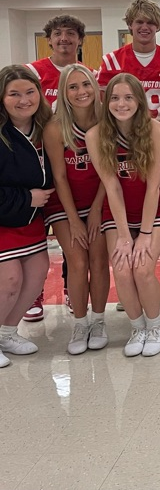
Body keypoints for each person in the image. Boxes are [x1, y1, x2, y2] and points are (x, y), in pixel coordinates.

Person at [97, 0, 160, 308]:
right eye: (139, 22)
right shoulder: (112, 61)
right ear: (130, 25)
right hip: (122, 143)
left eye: (150, 22)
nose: (144, 27)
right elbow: (105, 105)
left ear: (158, 26)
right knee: (129, 203)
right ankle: (135, 280)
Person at [86, 73, 160, 357]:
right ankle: (138, 328)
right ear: (106, 101)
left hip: (155, 209)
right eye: (114, 98)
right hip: (118, 213)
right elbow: (111, 187)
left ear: (139, 100)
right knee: (122, 269)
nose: (121, 104)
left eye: (128, 97)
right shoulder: (95, 135)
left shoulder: (157, 131)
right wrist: (124, 235)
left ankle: (155, 326)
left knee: (143, 268)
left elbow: (154, 187)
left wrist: (144, 234)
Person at [42, 65, 109, 355]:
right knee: (78, 262)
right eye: (73, 87)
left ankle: (99, 321)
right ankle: (80, 324)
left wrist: (96, 209)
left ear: (95, 87)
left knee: (98, 260)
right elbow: (59, 177)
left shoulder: (106, 120)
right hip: (65, 204)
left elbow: (110, 171)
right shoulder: (55, 127)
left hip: (100, 200)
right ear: (64, 93)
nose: (81, 91)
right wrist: (74, 219)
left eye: (86, 84)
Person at [24, 14, 86, 321]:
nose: (64, 38)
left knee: (73, 237)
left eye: (71, 33)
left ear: (80, 40)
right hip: (35, 161)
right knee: (36, 230)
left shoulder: (87, 74)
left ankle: (70, 288)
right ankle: (33, 292)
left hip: (72, 161)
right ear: (48, 39)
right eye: (58, 33)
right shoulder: (32, 72)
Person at [0, 66, 54, 369]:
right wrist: (26, 198)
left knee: (36, 273)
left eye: (30, 92)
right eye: (14, 94)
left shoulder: (47, 127)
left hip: (31, 221)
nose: (24, 100)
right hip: (4, 218)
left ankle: (7, 333)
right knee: (10, 280)